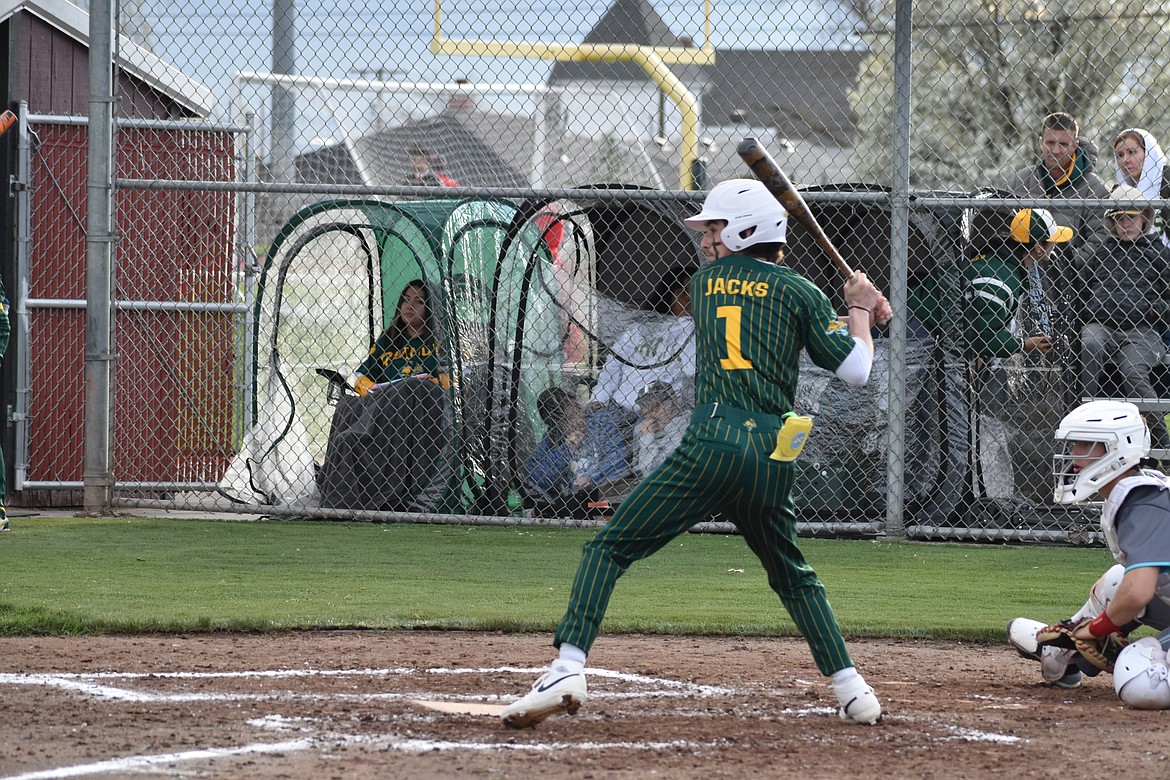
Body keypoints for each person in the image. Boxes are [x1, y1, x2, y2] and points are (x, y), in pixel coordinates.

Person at [498, 178, 893, 729]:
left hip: (712, 444)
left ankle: (566, 669)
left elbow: (761, 308)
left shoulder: (705, 284)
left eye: (714, 230)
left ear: (746, 230)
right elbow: (857, 368)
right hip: (772, 454)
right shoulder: (801, 291)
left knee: (608, 548)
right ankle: (853, 690)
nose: (705, 241)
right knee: (793, 574)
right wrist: (860, 311)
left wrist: (855, 311)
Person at [905, 207, 1064, 521]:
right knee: (926, 421)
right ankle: (924, 501)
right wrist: (1024, 344)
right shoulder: (1001, 277)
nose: (1054, 247)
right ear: (1036, 248)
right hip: (917, 328)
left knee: (926, 423)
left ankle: (918, 493)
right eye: (1050, 242)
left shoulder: (1003, 265)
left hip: (925, 328)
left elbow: (975, 327)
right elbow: (983, 333)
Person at [1007, 400, 1170, 707]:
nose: (1073, 455)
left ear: (1118, 448)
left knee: (1142, 684)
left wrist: (1098, 629)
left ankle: (1112, 651)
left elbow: (1139, 593)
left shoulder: (1145, 501)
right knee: (1117, 583)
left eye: (1085, 444)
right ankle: (1063, 650)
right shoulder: (1141, 491)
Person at [317, 279, 452, 512]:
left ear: (432, 308)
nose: (409, 306)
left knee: (410, 387)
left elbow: (451, 380)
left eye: (419, 302)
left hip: (417, 413)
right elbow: (362, 375)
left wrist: (426, 383)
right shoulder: (389, 340)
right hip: (383, 405)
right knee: (347, 406)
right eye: (406, 300)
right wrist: (369, 388)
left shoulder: (441, 343)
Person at [1076, 184, 1170, 448]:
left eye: (1132, 217)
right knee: (1089, 343)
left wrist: (1152, 309)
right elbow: (1082, 290)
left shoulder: (1158, 253)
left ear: (1145, 218)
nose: (1125, 224)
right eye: (1119, 218)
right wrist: (1091, 309)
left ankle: (1161, 445)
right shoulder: (1103, 251)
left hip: (1142, 330)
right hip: (1102, 324)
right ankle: (1080, 426)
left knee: (1132, 370)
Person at [588, 262, 697, 425]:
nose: (689, 298)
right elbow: (614, 365)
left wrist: (690, 324)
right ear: (669, 293)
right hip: (621, 408)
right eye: (683, 291)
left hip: (664, 415)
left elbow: (691, 371)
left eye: (695, 293)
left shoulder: (699, 333)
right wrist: (599, 398)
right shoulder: (640, 328)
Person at [1004, 112, 1110, 269]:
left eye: (1063, 144)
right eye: (1050, 142)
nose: (1055, 150)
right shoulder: (1019, 181)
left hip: (1071, 277)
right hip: (1020, 271)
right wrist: (1021, 261)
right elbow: (1001, 228)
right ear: (1041, 143)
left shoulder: (1095, 189)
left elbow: (1099, 240)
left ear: (1074, 145)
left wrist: (1060, 266)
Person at [522, 387, 632, 519]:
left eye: (578, 410)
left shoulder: (599, 423)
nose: (579, 419)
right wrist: (566, 449)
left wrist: (593, 479)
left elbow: (617, 458)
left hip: (603, 492)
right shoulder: (552, 438)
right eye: (570, 417)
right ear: (556, 423)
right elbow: (537, 477)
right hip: (573, 499)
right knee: (566, 503)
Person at [1112, 128, 1170, 249]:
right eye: (1120, 155)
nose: (1125, 160)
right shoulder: (1118, 193)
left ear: (1148, 153)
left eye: (1132, 152)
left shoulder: (1166, 183)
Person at [632, 380, 688, 478]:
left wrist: (647, 439)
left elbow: (653, 472)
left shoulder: (684, 426)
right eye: (644, 407)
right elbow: (636, 468)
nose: (649, 414)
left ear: (672, 403)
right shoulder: (641, 429)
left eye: (656, 407)